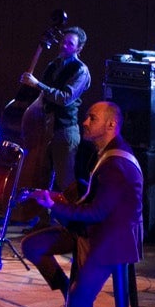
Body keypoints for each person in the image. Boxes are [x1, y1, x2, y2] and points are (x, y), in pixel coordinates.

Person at [21, 101, 143, 307]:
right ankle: (67, 291)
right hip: (94, 231)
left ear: (111, 125)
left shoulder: (116, 164)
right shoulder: (105, 154)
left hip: (111, 240)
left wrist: (56, 207)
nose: (85, 121)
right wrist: (58, 199)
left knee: (79, 300)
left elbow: (97, 213)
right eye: (87, 116)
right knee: (33, 245)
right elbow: (93, 203)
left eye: (92, 118)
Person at [18, 26, 91, 216]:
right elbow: (42, 95)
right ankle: (43, 221)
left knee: (66, 182)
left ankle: (74, 223)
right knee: (43, 179)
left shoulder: (81, 70)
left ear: (78, 48)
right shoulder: (53, 65)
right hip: (44, 130)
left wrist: (37, 84)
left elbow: (65, 97)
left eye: (70, 43)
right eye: (63, 41)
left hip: (64, 130)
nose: (64, 45)